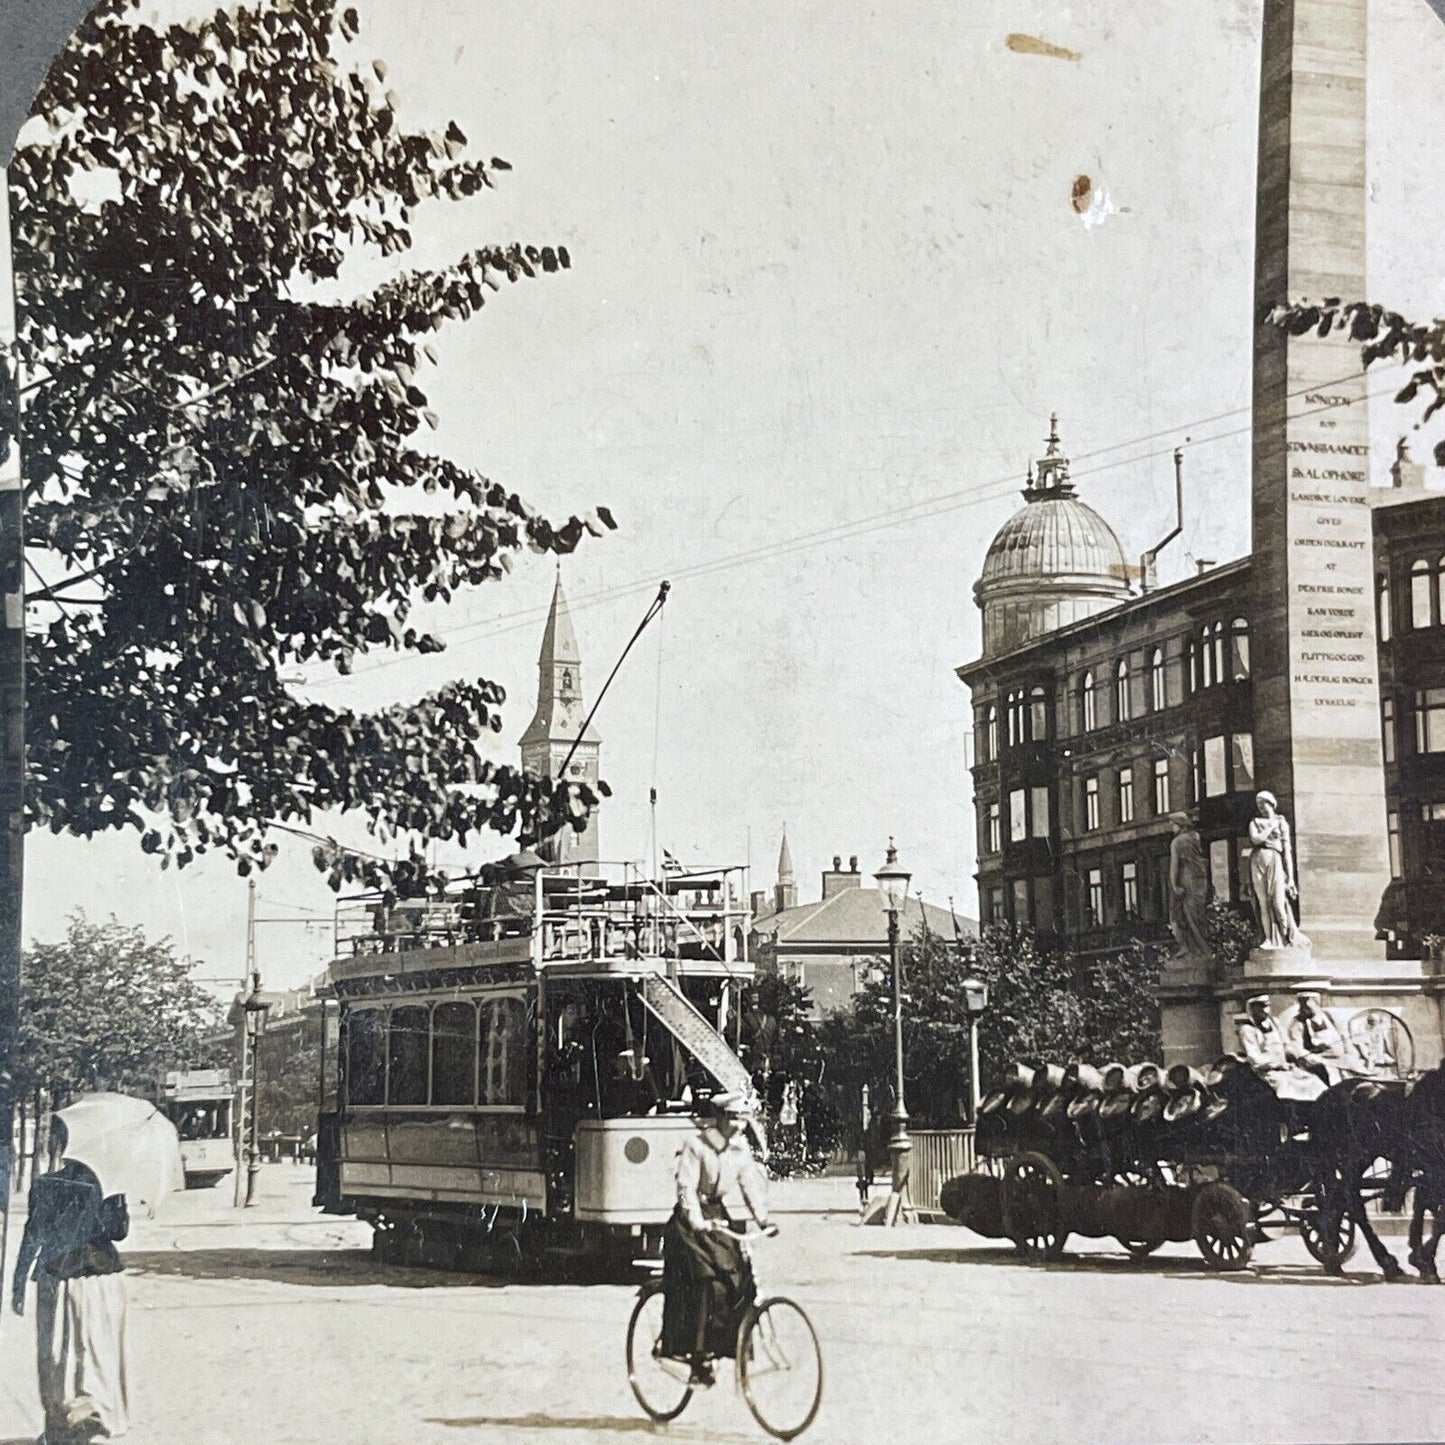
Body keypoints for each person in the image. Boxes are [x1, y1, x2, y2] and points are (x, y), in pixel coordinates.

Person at [11, 1133, 130, 1444]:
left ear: (62, 1147)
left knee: (53, 1354)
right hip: (101, 1281)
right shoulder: (109, 1186)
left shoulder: (45, 1183)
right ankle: (92, 1419)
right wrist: (117, 1202)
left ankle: (58, 1426)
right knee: (96, 1353)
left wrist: (18, 1283)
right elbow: (119, 1233)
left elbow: (32, 1234)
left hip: (56, 1277)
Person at [662, 1091, 774, 1386]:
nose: (739, 1125)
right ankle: (698, 1359)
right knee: (708, 1281)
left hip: (716, 1214)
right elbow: (685, 1187)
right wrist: (697, 1221)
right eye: (734, 1119)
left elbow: (749, 1184)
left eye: (743, 1118)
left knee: (738, 1277)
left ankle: (727, 1345)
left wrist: (763, 1219)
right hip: (690, 1223)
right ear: (721, 1118)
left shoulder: (739, 1149)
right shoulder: (697, 1145)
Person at [1236, 993, 1325, 1103]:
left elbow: (1285, 1044)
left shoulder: (1274, 1023)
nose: (1265, 1011)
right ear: (1252, 1009)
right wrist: (1277, 1064)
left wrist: (1299, 1055)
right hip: (1267, 1073)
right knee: (1286, 1087)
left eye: (1267, 1006)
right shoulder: (1247, 1029)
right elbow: (1254, 1058)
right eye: (1261, 1008)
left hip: (1286, 1068)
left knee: (1313, 1081)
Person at [1248, 791, 1299, 949]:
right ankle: (1269, 938)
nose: (1261, 807)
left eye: (1263, 802)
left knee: (1278, 903)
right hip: (1257, 858)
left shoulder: (1282, 822)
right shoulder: (1255, 822)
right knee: (1263, 903)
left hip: (1274, 859)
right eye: (1258, 804)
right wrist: (1269, 826)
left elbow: (1287, 852)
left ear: (1271, 803)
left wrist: (1290, 879)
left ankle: (1284, 939)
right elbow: (1255, 839)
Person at [1286, 983, 1357, 1083]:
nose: (1305, 1008)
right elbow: (1296, 1047)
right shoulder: (1298, 1023)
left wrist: (1349, 1052)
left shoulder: (1329, 1017)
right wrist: (1314, 1050)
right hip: (1317, 1059)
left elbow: (1344, 1038)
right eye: (1304, 1005)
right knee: (1330, 1075)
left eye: (1309, 1005)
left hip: (1339, 1058)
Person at [1167, 812, 1212, 958]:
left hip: (1185, 877)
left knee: (1182, 915)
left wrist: (1174, 885)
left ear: (1180, 824)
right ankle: (1202, 949)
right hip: (1200, 877)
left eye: (1173, 824)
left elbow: (1174, 865)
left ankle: (1189, 948)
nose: (1172, 827)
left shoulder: (1177, 842)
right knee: (1198, 914)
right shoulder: (1195, 837)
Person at [854, 1147, 874, 1215]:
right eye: (860, 1156)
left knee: (865, 1190)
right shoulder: (858, 1164)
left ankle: (866, 1202)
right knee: (861, 1191)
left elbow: (870, 1171)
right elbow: (858, 1172)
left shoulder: (866, 1164)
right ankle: (862, 1202)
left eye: (862, 1156)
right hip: (861, 1179)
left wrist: (868, 1178)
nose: (861, 1157)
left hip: (866, 1179)